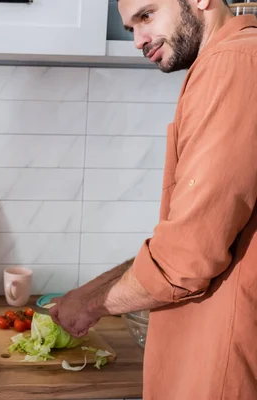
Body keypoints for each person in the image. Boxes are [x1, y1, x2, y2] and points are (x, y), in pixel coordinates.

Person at [49, 1, 257, 399]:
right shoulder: (223, 62)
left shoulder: (233, 63)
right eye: (129, 28)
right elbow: (194, 235)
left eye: (146, 15)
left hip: (222, 370)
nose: (138, 40)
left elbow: (186, 260)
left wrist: (92, 305)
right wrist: (92, 289)